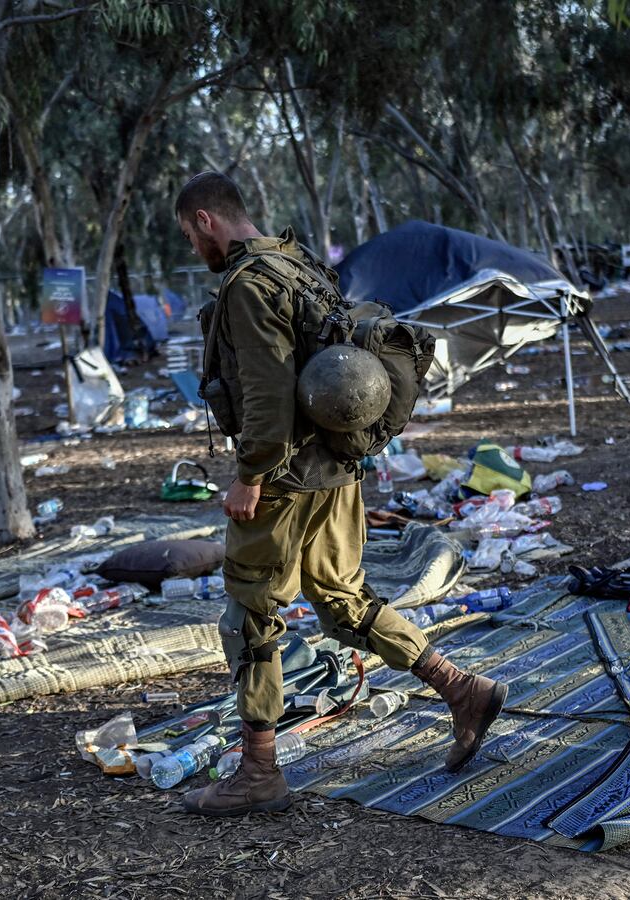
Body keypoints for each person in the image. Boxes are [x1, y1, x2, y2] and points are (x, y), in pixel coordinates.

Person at [172, 171, 509, 817]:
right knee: (343, 599)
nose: (195, 248)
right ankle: (461, 689)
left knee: (251, 614)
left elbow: (268, 393)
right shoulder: (299, 265)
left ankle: (259, 773)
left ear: (206, 220)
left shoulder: (249, 284)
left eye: (191, 235)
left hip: (285, 479)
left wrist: (250, 476)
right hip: (336, 468)